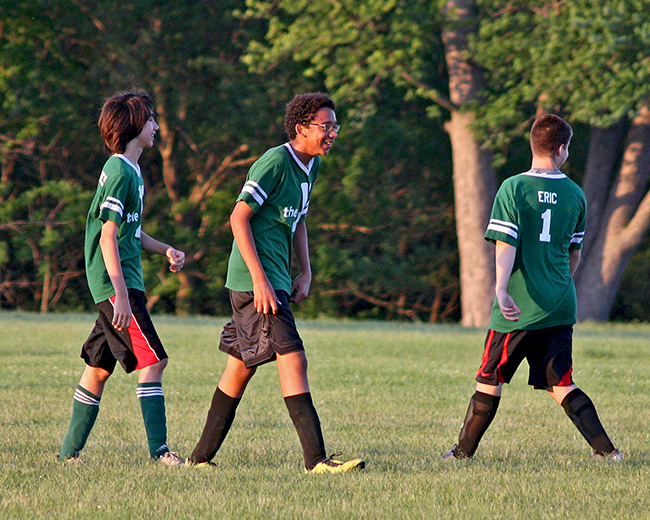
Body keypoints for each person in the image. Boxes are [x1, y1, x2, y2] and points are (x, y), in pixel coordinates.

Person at [187, 93, 364, 473]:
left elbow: (298, 219)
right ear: (301, 129)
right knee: (293, 358)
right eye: (325, 126)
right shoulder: (274, 162)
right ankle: (316, 461)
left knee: (240, 366)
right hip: (256, 282)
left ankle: (199, 459)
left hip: (276, 279)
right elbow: (238, 219)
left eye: (335, 126)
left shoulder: (311, 165)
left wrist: (306, 270)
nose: (333, 133)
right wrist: (261, 281)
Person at [443, 114, 621, 462]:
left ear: (533, 144)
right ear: (561, 148)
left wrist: (501, 289)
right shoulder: (575, 193)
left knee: (489, 378)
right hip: (559, 303)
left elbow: (505, 244)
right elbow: (574, 253)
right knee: (561, 383)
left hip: (520, 305)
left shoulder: (513, 188)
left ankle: (461, 454)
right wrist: (560, 286)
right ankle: (607, 452)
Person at [58, 91, 185, 466]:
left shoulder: (131, 170)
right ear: (133, 126)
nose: (156, 127)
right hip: (118, 286)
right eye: (150, 120)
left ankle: (68, 455)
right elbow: (107, 235)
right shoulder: (117, 171)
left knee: (97, 369)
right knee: (154, 362)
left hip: (120, 284)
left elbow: (131, 232)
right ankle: (160, 452)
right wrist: (121, 294)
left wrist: (165, 249)